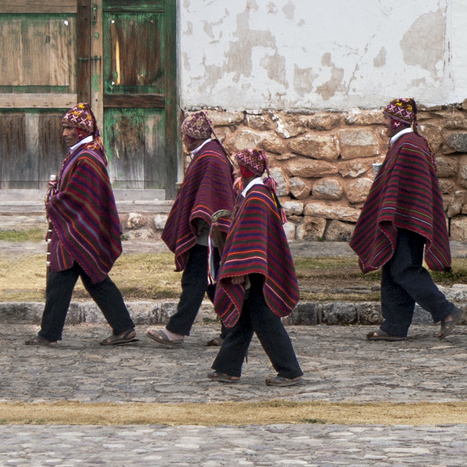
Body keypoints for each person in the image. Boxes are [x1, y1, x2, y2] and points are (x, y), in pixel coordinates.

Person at [350, 98, 458, 341]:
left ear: (397, 120)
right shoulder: (405, 144)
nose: (385, 123)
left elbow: (409, 188)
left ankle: (446, 311)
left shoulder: (408, 146)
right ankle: (394, 326)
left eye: (388, 118)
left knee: (405, 270)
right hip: (403, 217)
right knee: (392, 270)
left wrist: (395, 212)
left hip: (408, 220)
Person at [30, 104, 136, 347]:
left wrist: (54, 201)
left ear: (81, 130)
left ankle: (48, 334)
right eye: (64, 128)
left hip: (77, 229)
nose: (64, 133)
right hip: (77, 227)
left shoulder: (87, 157)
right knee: (94, 277)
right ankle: (123, 328)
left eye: (69, 128)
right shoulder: (82, 152)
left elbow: (80, 195)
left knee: (62, 277)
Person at [209, 150, 304, 386]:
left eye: (236, 166)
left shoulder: (256, 197)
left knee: (265, 318)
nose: (233, 170)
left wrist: (240, 269)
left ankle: (290, 371)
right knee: (244, 317)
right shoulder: (252, 194)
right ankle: (227, 368)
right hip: (255, 268)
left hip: (258, 271)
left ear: (246, 170)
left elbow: (253, 238)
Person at [149, 111, 236, 346]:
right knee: (213, 283)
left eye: (184, 137)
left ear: (190, 138)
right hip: (209, 234)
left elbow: (212, 197)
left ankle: (176, 331)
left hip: (208, 236)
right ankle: (234, 330)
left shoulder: (210, 158)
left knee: (195, 281)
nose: (183, 142)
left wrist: (200, 222)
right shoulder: (209, 154)